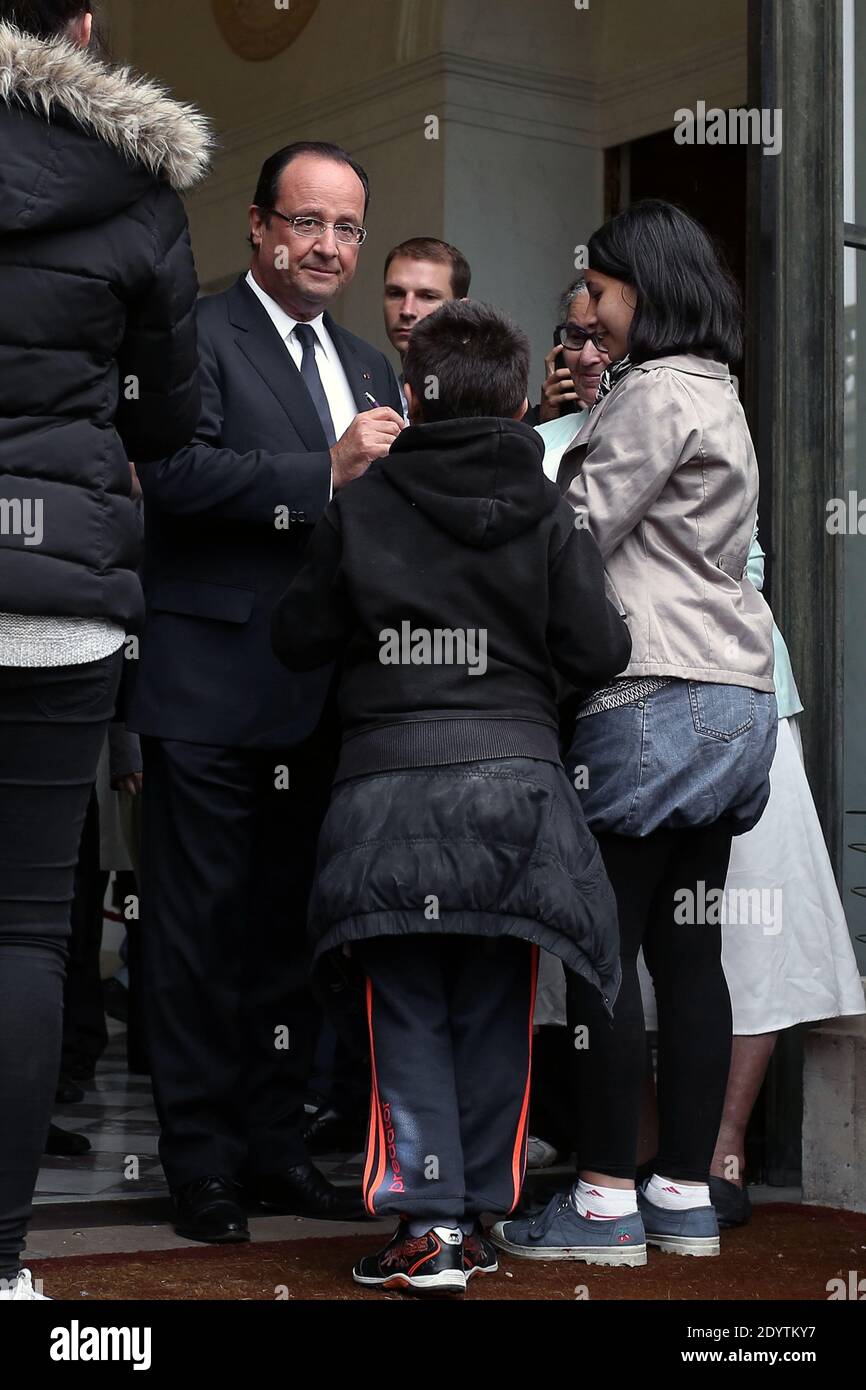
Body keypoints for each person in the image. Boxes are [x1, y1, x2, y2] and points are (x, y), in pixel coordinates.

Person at [272, 299, 631, 1296]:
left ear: (405, 398)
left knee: (405, 1012)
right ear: (516, 399)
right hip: (516, 794)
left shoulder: (365, 509)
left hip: (387, 792)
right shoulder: (548, 509)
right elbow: (602, 648)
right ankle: (473, 1217)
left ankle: (425, 1226)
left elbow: (295, 638)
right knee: (491, 1004)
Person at [129, 141, 405, 1243]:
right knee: (197, 937)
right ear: (256, 226)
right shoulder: (195, 332)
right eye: (306, 222)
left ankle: (278, 1148)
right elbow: (170, 477)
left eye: (345, 227)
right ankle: (198, 1164)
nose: (326, 245)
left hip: (326, 699)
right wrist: (321, 473)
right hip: (207, 688)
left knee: (295, 939)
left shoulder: (371, 366)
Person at [494, 200, 777, 1267]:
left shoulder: (651, 392)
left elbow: (575, 539)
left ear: (640, 293)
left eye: (601, 295)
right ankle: (682, 1194)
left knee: (601, 954)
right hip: (732, 699)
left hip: (649, 694)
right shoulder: (720, 393)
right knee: (688, 955)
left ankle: (605, 1199)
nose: (590, 317)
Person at [0, 1, 209, 1300]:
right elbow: (168, 417)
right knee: (26, 929)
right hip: (58, 599)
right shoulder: (137, 188)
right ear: (83, 26)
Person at [637, 526, 865, 1225]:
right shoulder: (552, 446)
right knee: (622, 946)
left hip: (739, 697)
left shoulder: (696, 417)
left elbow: (746, 561)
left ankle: (722, 1152)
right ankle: (640, 1150)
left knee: (751, 930)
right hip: (616, 709)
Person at [382, 237, 471, 416]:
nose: (407, 310)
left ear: (461, 311)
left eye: (428, 296)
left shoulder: (487, 395)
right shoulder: (374, 391)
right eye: (396, 293)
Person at [525, 279, 610, 428]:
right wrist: (548, 424)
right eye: (576, 337)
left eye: (603, 337)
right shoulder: (544, 427)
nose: (585, 358)